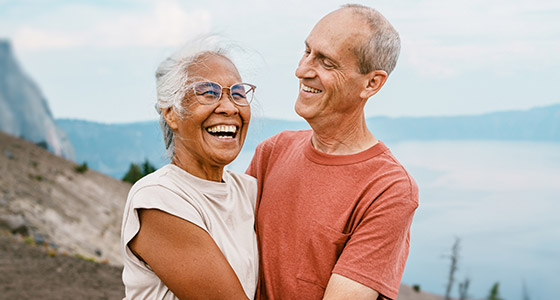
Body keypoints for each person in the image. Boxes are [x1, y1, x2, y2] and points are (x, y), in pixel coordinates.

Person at [247, 4, 419, 300]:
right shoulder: (272, 152)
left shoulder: (389, 189)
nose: (301, 71)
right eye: (307, 52)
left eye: (326, 63)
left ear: (371, 83)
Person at [121, 37, 258, 299]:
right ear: (171, 113)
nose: (230, 107)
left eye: (238, 93)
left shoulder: (248, 191)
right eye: (209, 93)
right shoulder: (159, 198)